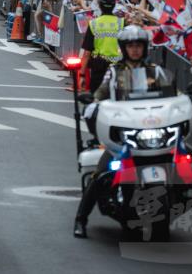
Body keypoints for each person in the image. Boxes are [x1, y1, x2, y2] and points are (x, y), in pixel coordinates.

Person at [73, 25, 171, 239]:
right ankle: (81, 219)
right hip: (121, 138)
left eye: (138, 46)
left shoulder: (155, 71)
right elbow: (101, 93)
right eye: (131, 46)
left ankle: (164, 219)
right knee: (100, 175)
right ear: (124, 48)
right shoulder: (115, 71)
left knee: (177, 168)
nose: (135, 50)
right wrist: (93, 102)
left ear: (144, 48)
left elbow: (171, 97)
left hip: (150, 134)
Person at [78, 0, 123, 92]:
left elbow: (87, 53)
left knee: (97, 100)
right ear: (114, 5)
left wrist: (82, 74)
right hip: (117, 69)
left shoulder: (94, 24)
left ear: (98, 4)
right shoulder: (122, 23)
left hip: (98, 69)